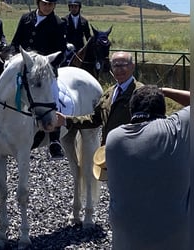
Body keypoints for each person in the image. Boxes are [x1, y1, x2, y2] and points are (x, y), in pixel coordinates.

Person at [105, 86, 190, 250]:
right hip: (177, 239)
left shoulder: (114, 138)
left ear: (131, 111)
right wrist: (164, 90)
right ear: (163, 110)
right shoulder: (176, 129)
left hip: (126, 241)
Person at [11, 0, 67, 159]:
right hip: (23, 66)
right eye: (44, 3)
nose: (47, 7)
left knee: (55, 95)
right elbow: (16, 42)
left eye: (51, 4)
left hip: (45, 69)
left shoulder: (59, 23)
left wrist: (46, 66)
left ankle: (54, 139)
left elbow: (61, 51)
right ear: (38, 3)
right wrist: (13, 58)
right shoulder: (25, 18)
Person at [56, 51, 144, 146]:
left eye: (123, 65)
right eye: (115, 66)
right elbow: (94, 119)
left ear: (132, 66)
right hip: (109, 150)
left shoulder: (140, 93)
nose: (119, 70)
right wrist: (66, 120)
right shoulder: (109, 93)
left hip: (131, 149)